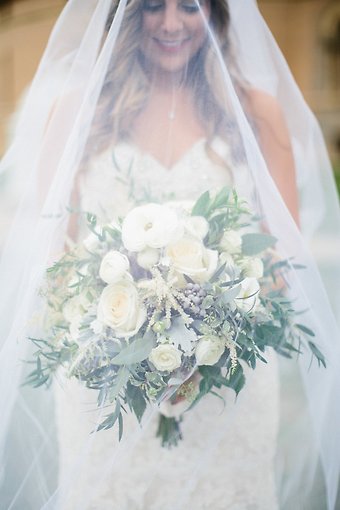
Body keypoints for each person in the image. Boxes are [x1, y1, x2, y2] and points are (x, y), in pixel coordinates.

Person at [0, 1, 339, 509]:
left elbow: (281, 264)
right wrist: (123, 327)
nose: (171, 23)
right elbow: (56, 263)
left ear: (218, 12)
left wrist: (207, 329)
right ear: (123, 14)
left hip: (226, 389)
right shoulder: (77, 113)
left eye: (189, 5)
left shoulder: (256, 113)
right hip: (105, 388)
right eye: (153, 5)